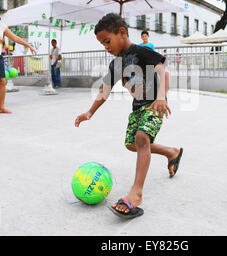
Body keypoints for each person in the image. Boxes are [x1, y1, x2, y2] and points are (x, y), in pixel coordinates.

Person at [74, 13, 183, 219]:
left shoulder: (141, 52)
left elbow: (163, 71)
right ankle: (172, 152)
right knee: (132, 144)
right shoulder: (116, 64)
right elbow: (104, 90)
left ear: (122, 33)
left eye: (107, 41)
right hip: (137, 107)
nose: (106, 46)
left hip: (154, 104)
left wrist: (161, 97)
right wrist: (89, 112)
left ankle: (136, 194)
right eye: (102, 43)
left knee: (142, 138)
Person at [0, 5, 37, 114]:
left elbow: (15, 38)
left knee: (2, 81)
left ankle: (2, 107)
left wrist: (30, 46)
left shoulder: (2, 26)